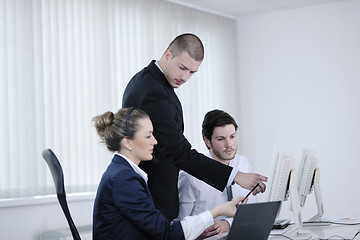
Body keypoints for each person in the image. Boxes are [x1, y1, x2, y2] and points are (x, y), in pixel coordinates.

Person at [122, 33, 267, 220]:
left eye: (192, 72)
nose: (185, 77)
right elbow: (178, 151)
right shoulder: (154, 92)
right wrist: (236, 176)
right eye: (182, 68)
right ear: (167, 55)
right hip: (153, 195)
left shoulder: (149, 81)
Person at [92, 107, 247, 240]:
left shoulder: (123, 173)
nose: (155, 141)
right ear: (127, 142)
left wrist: (194, 234)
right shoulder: (123, 179)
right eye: (148, 136)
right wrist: (219, 210)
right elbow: (165, 234)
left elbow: (158, 230)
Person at [177, 109, 258, 239]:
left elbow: (253, 212)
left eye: (232, 137)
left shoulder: (243, 163)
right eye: (221, 139)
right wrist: (198, 234)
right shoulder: (190, 175)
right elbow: (178, 224)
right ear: (208, 141)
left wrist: (227, 223)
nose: (229, 145)